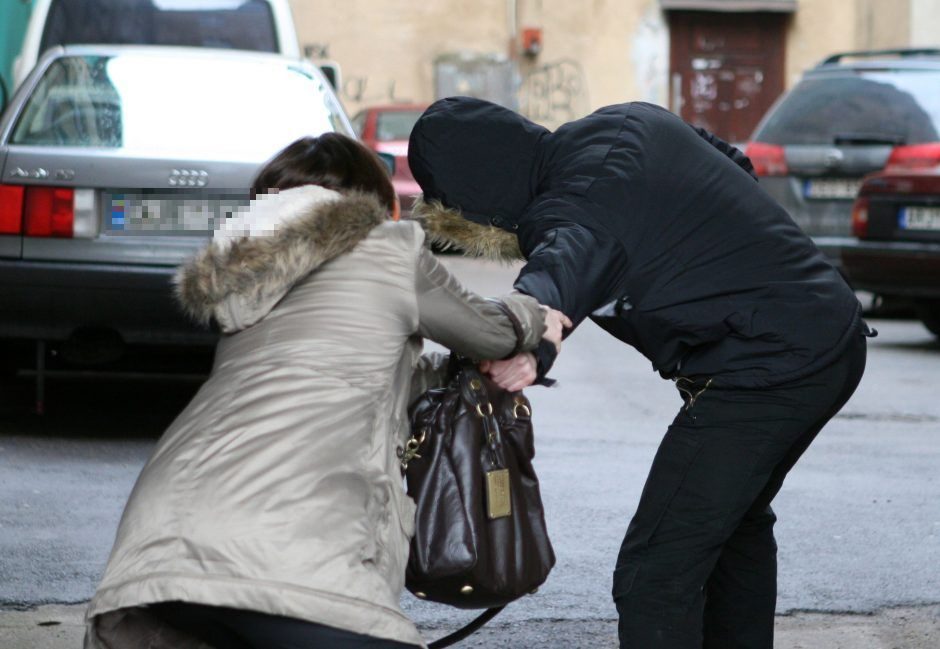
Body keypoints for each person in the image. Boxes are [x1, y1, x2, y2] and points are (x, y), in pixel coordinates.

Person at [407, 97, 873, 649]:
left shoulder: (569, 210)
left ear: (476, 190)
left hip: (767, 372)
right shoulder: (626, 119)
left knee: (655, 572)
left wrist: (531, 352)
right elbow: (730, 162)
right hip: (831, 335)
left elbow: (556, 277)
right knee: (733, 531)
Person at [84, 133, 568, 649]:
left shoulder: (247, 280)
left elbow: (357, 373)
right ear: (371, 203)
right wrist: (536, 316)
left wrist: (451, 373)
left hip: (162, 540)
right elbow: (489, 331)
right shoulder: (385, 247)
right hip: (281, 547)